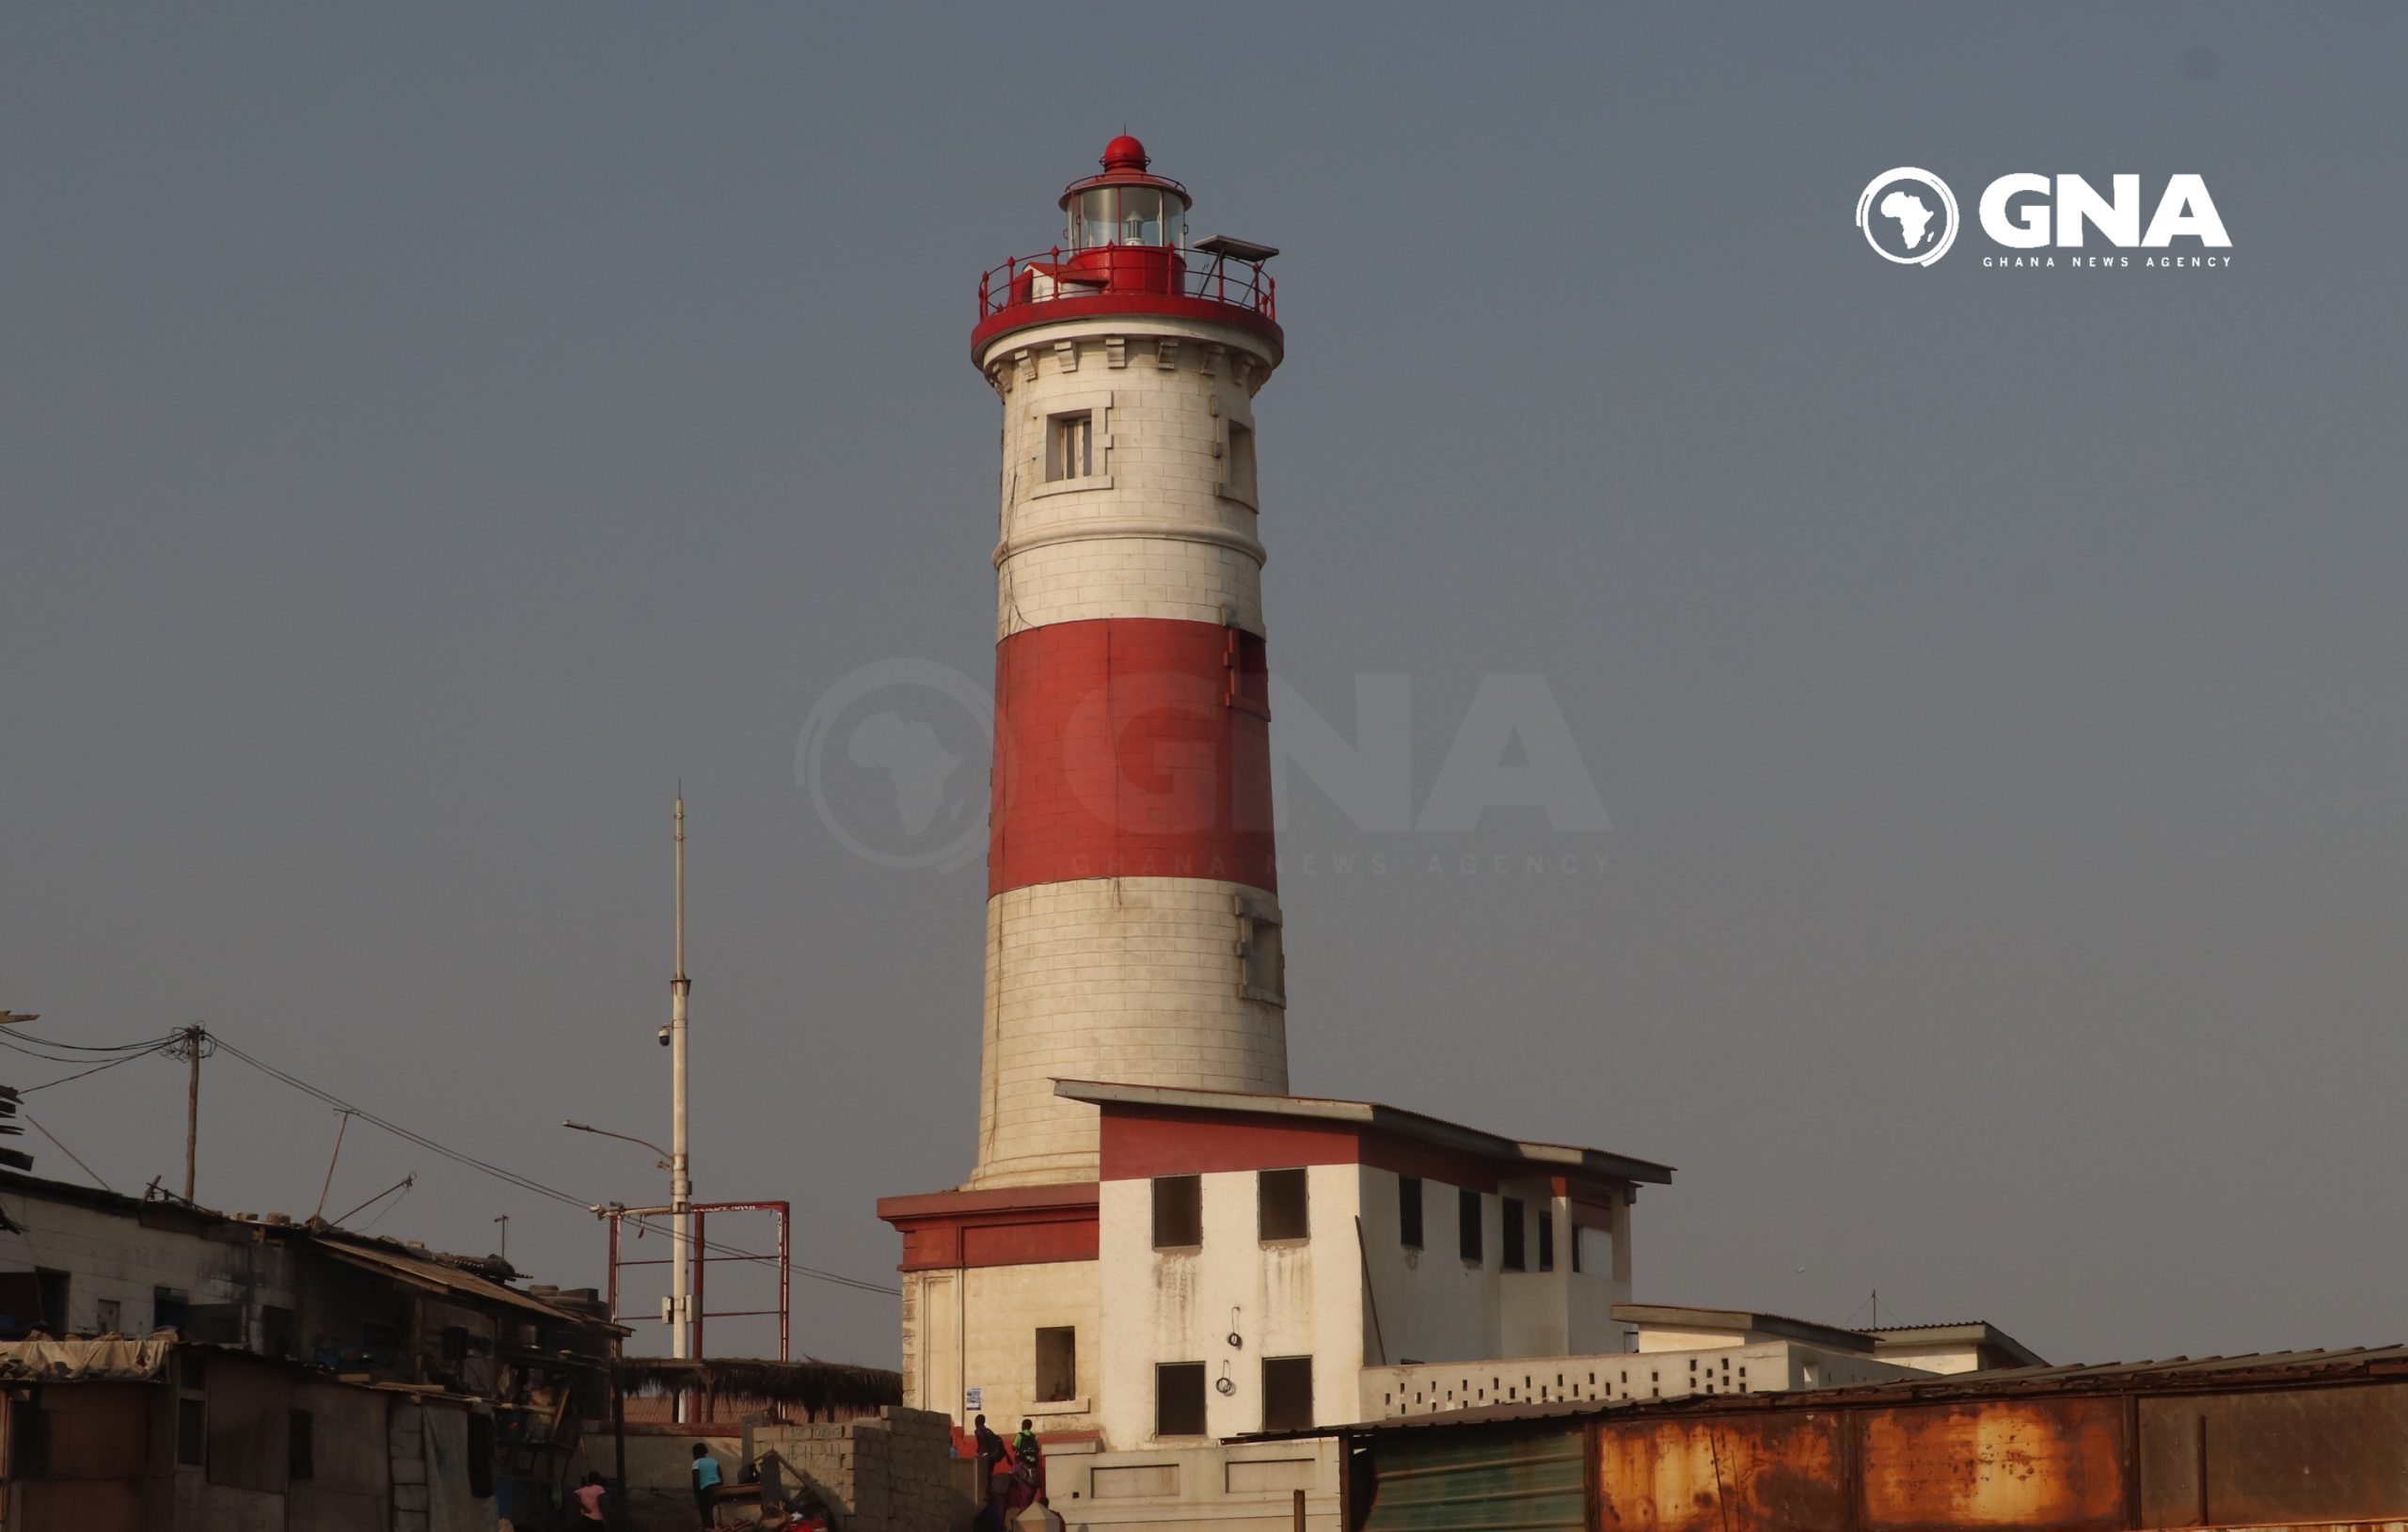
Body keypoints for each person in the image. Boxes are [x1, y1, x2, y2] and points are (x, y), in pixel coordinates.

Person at [692, 1443, 722, 1526]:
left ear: (695, 1453)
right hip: (718, 1488)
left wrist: (697, 1495)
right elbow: (720, 1476)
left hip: (706, 1490)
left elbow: (696, 1479)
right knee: (716, 1512)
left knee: (706, 1514)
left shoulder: (696, 1463)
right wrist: (721, 1489)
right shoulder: (714, 1461)